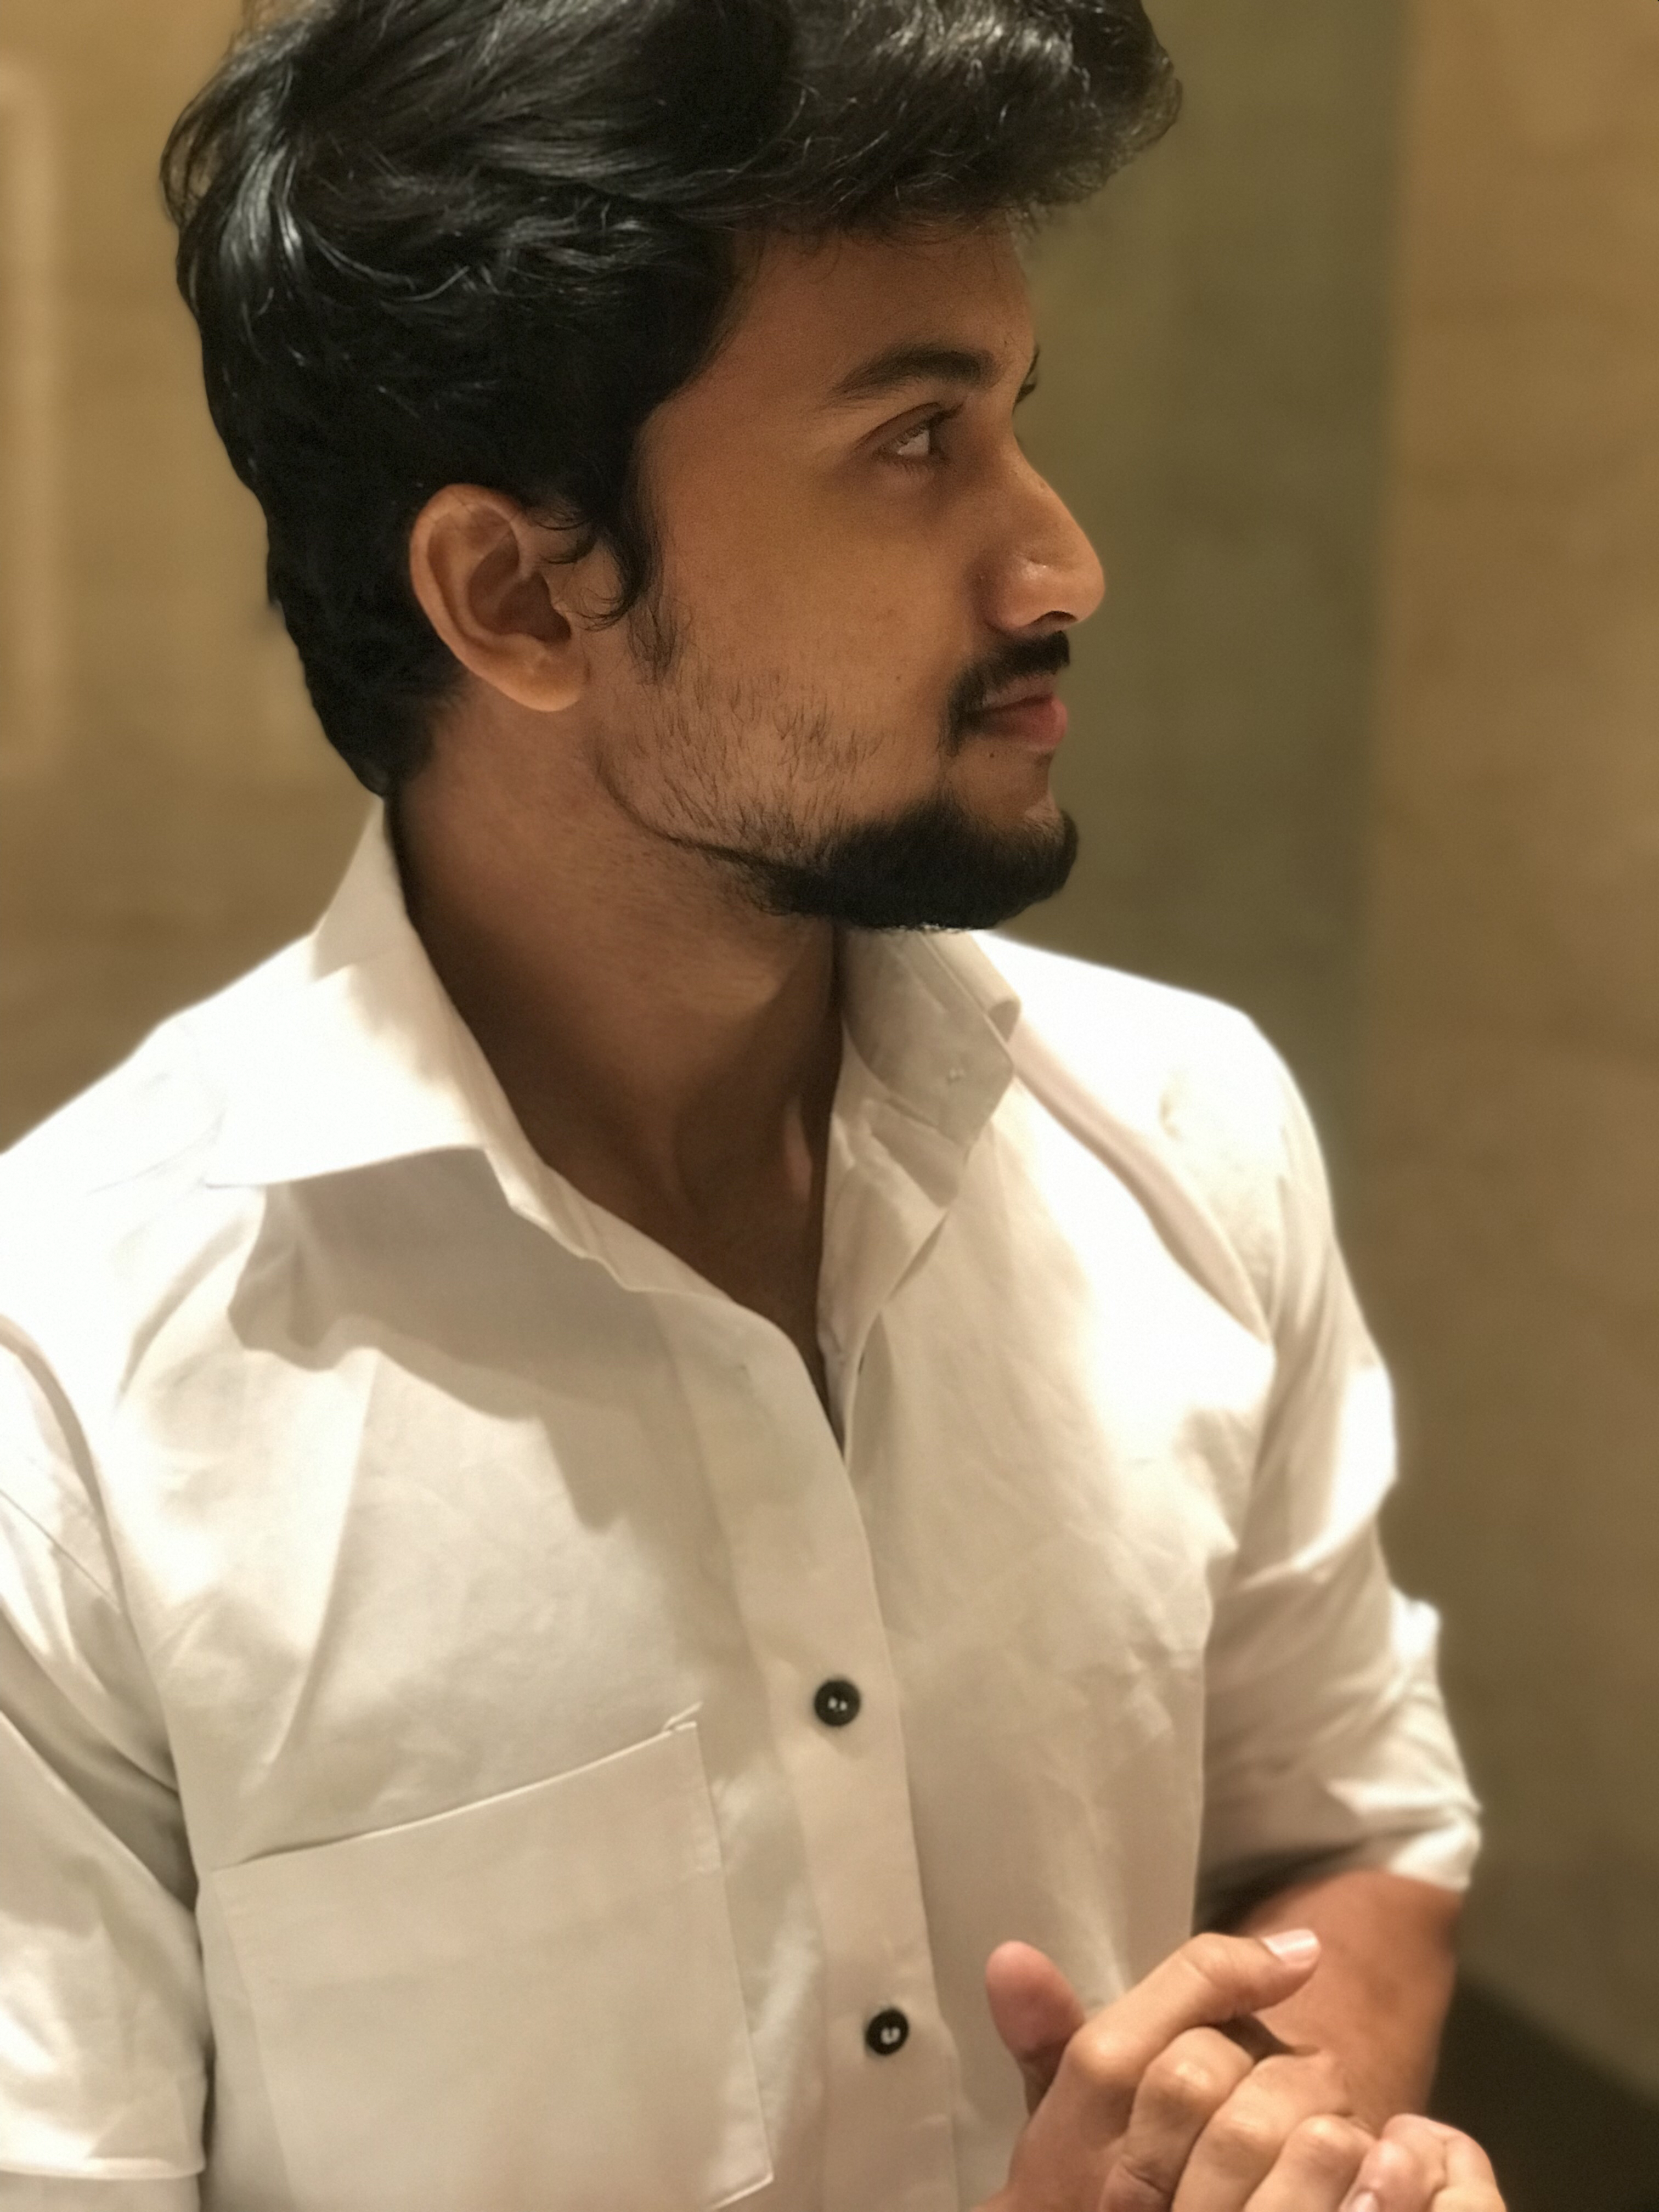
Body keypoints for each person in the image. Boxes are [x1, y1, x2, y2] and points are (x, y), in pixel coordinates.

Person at [0, 2, 1506, 2207]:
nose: (1061, 562)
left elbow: (1353, 1830)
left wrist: (1269, 2148)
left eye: (1013, 417)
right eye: (914, 439)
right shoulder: (65, 1395)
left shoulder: (1189, 1131)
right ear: (519, 594)